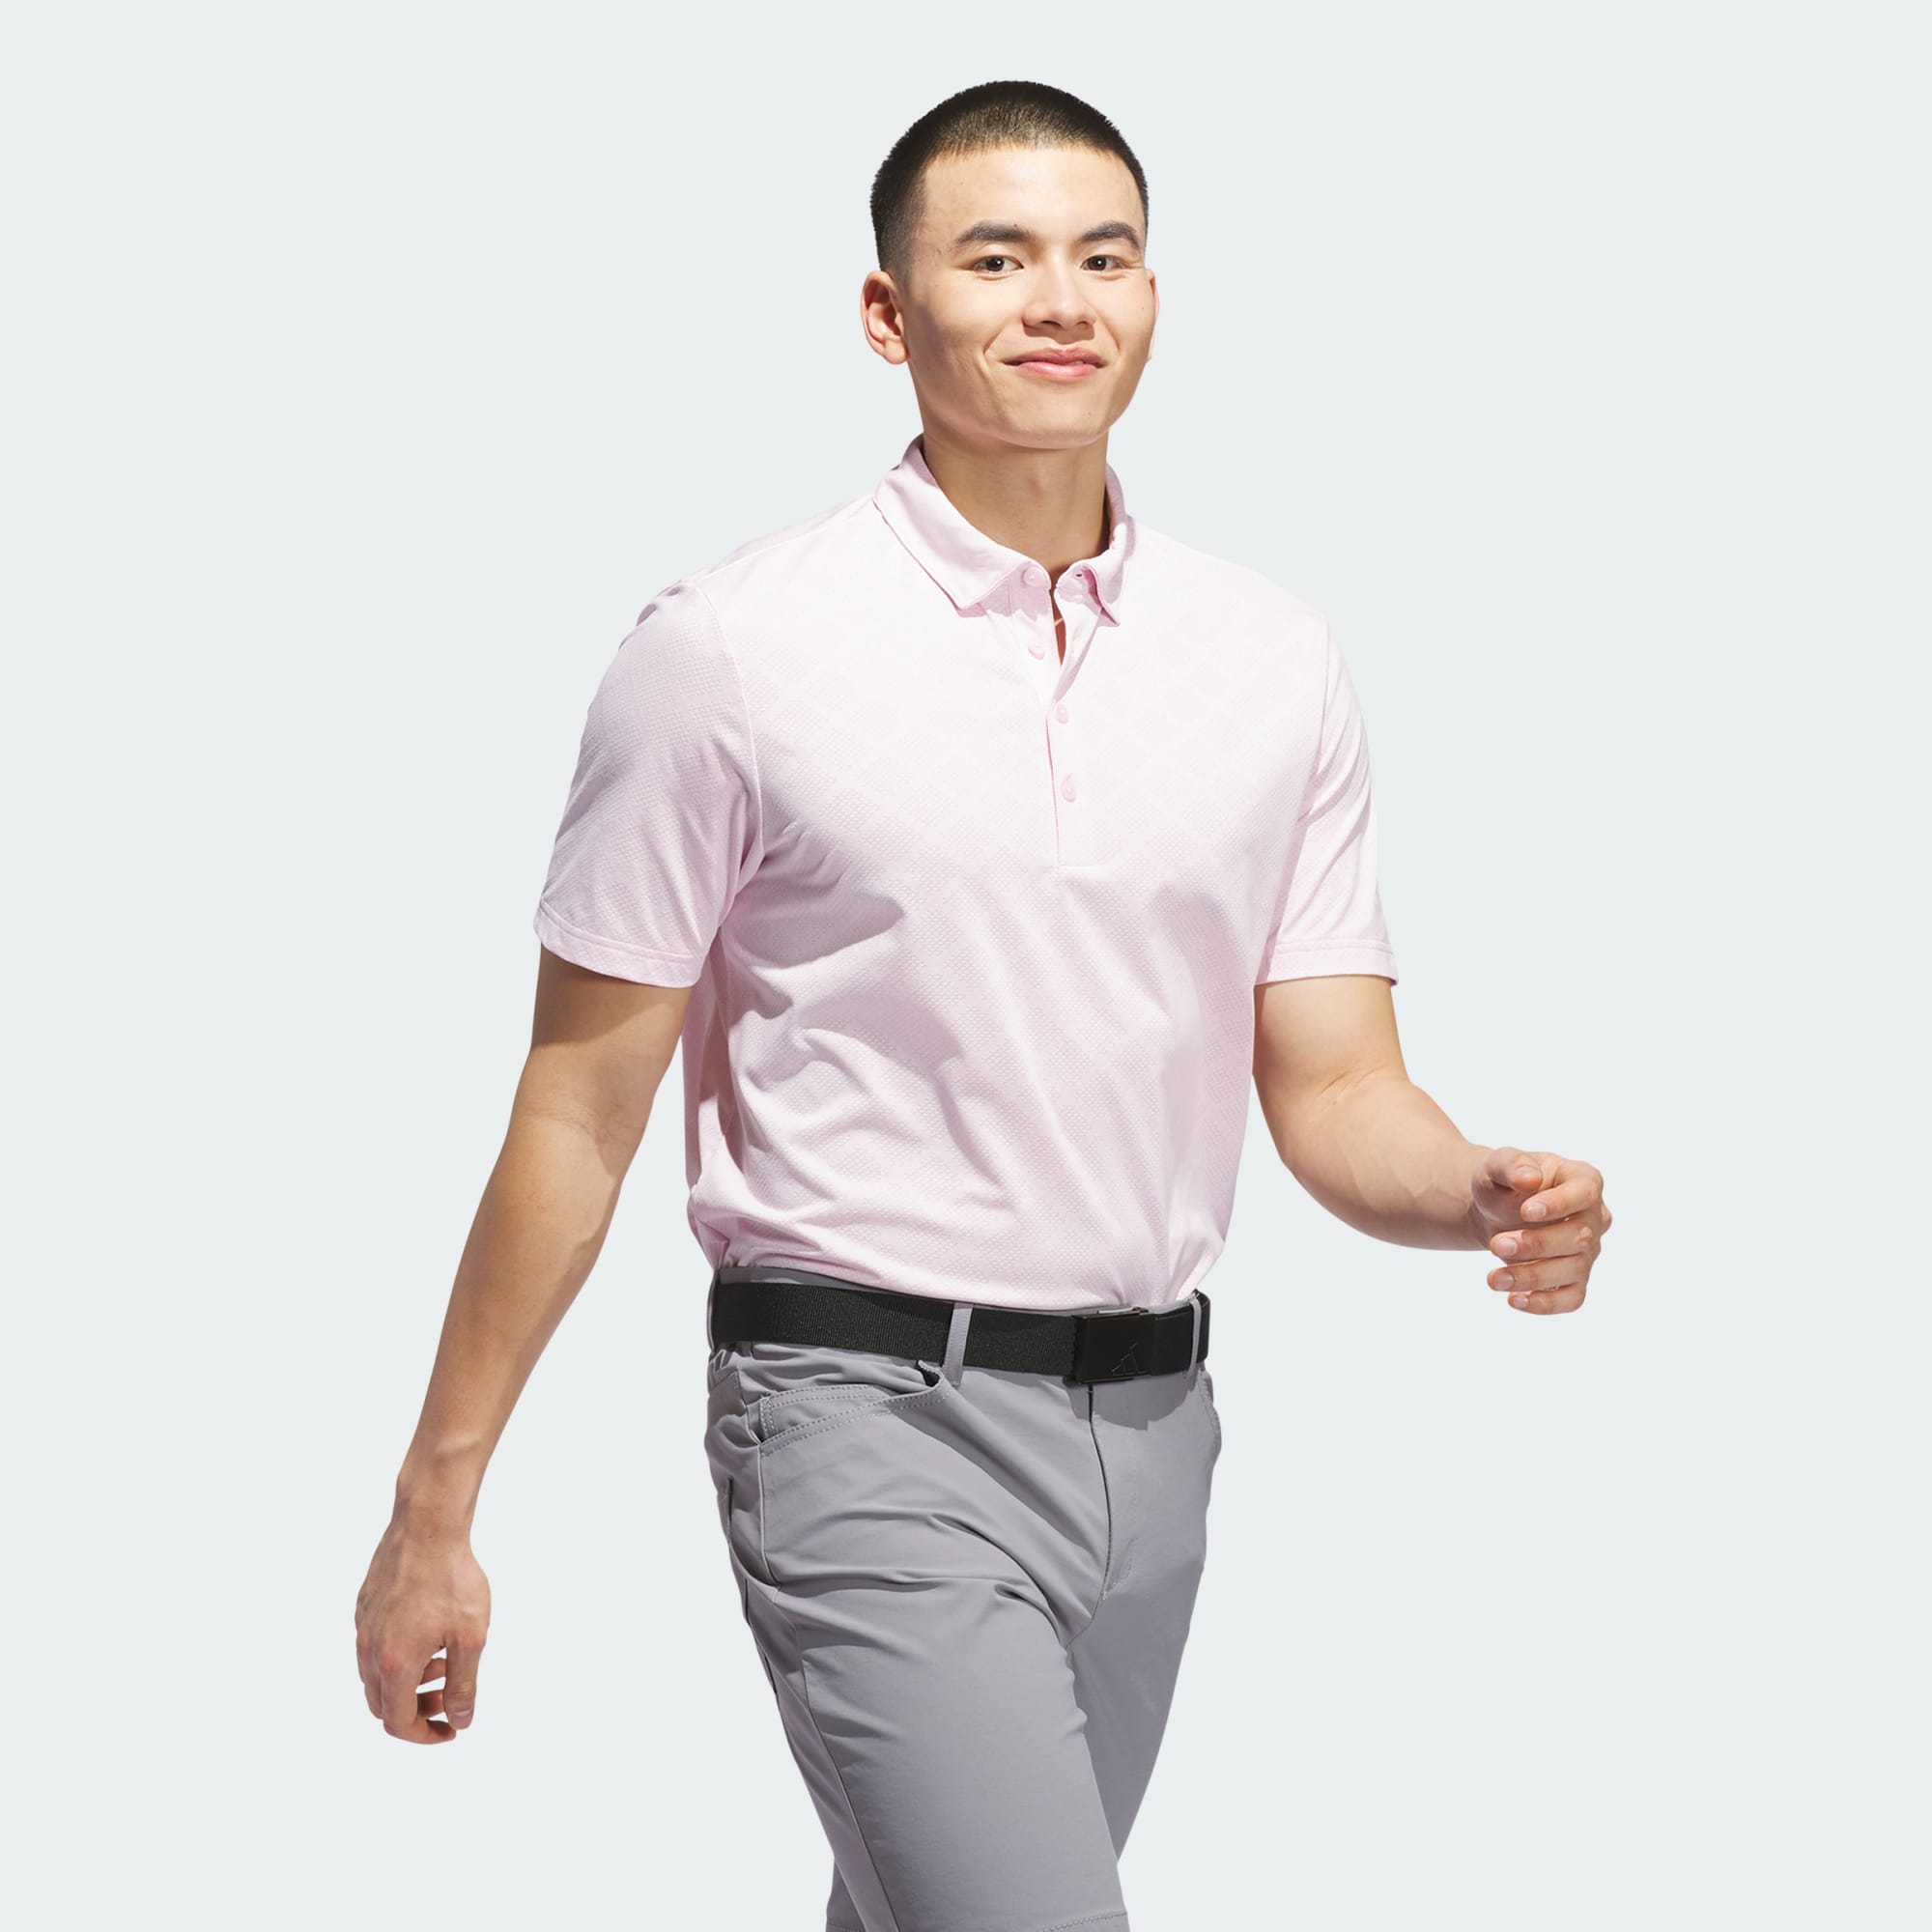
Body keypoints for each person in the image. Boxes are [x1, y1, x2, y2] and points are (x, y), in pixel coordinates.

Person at [354, 77, 1612, 1932]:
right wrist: (436, 1508)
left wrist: (1477, 1191)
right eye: (998, 257)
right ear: (890, 313)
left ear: (1155, 297)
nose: (1061, 300)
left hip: (1159, 1437)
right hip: (860, 1413)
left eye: (1105, 254)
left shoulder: (1270, 658)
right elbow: (576, 1110)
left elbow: (1341, 1084)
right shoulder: (730, 652)